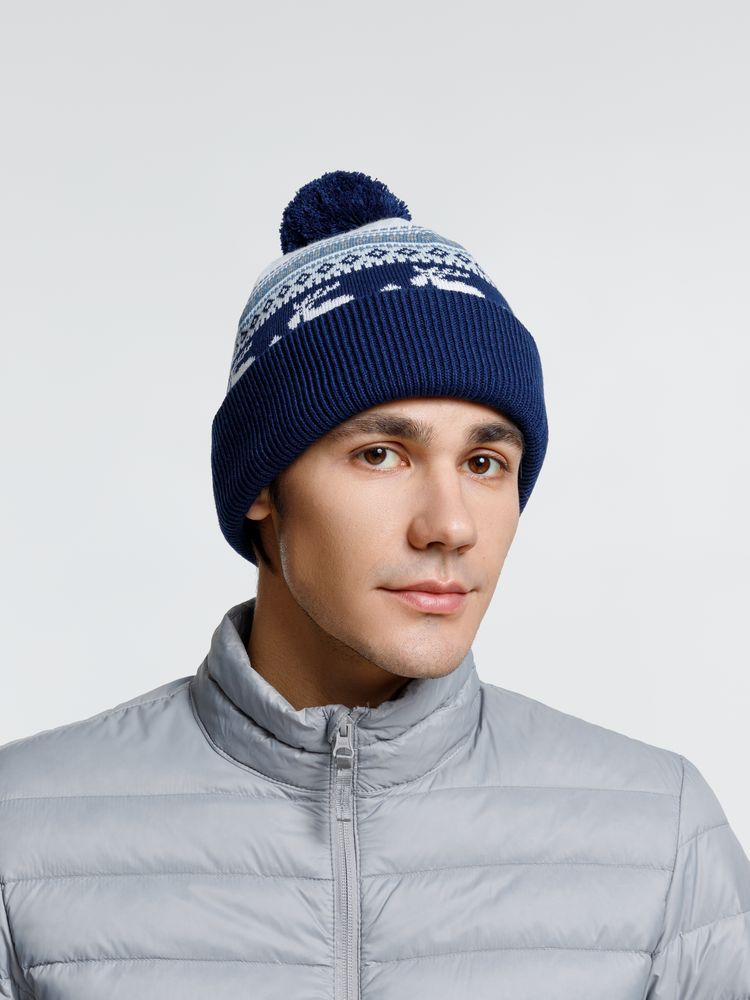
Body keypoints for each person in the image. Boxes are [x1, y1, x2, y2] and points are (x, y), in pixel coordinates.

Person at [1, 170, 748, 999]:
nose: (450, 525)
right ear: (262, 484)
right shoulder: (20, 834)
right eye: (381, 454)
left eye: (485, 463)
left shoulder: (660, 838)